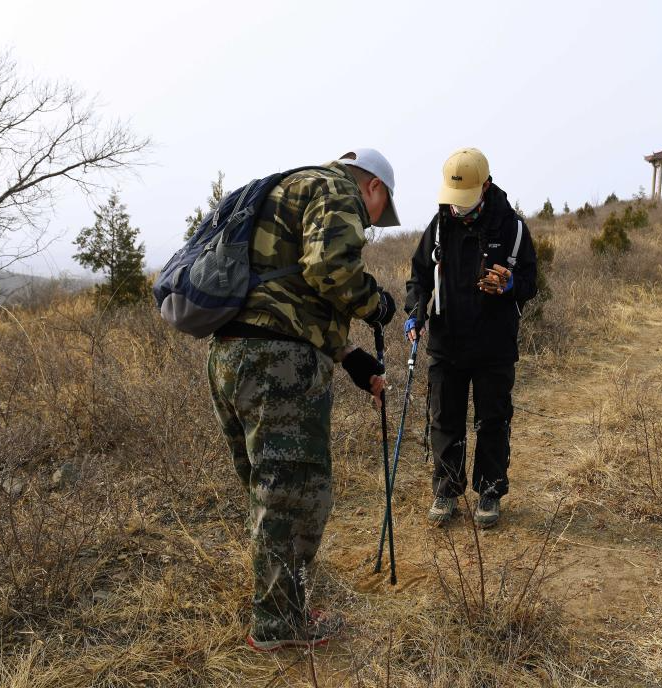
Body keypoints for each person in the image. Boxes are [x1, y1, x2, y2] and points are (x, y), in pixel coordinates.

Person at [206, 149, 399, 651]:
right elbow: (329, 268)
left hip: (230, 354)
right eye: (377, 215)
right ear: (373, 188)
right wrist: (376, 304)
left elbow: (288, 293)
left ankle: (280, 607)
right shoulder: (338, 190)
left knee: (267, 489)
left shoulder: (283, 189)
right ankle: (279, 627)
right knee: (295, 493)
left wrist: (350, 356)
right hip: (277, 366)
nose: (372, 224)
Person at [404, 148, 537, 529]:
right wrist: (415, 311)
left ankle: (490, 491)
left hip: (495, 346)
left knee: (493, 420)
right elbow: (418, 277)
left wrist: (511, 285)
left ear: (486, 186)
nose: (458, 209)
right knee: (445, 419)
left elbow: (530, 282)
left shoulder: (512, 229)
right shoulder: (440, 224)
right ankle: (446, 489)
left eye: (466, 201)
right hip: (447, 343)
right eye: (454, 200)